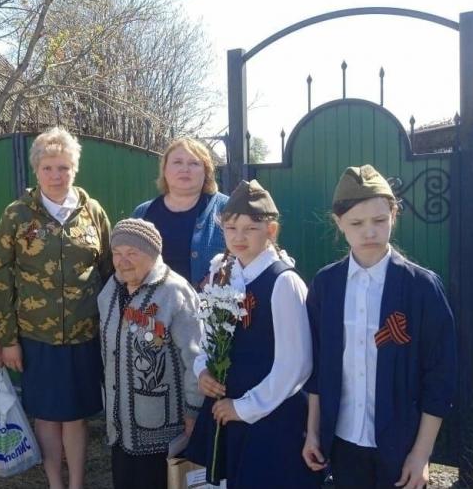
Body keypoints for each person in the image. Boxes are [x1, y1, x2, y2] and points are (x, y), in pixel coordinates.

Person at [301, 165, 456, 489]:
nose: (369, 232)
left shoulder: (422, 288)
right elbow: (317, 366)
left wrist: (421, 454)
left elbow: (440, 377)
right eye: (357, 223)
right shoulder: (327, 285)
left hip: (400, 447)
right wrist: (314, 432)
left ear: (394, 215)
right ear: (339, 222)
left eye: (379, 220)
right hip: (343, 443)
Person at [0, 127, 112, 489]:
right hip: (36, 336)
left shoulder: (93, 212)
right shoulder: (17, 215)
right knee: (46, 415)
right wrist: (7, 338)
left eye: (63, 167)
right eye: (48, 168)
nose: (56, 176)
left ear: (75, 168)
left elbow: (106, 270)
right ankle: (54, 481)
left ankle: (76, 482)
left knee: (75, 416)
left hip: (83, 333)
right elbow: (0, 277)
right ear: (36, 170)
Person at [184, 180, 320, 489]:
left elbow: (296, 365)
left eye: (251, 228)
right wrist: (202, 368)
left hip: (270, 414)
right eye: (231, 228)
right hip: (229, 408)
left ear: (271, 231)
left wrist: (244, 408)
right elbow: (209, 333)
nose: (239, 237)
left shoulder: (283, 282)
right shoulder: (223, 271)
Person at [97, 218, 203, 489]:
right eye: (117, 253)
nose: (123, 261)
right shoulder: (110, 290)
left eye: (132, 253)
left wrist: (194, 412)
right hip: (120, 426)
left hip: (162, 428)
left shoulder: (174, 291)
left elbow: (195, 358)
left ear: (153, 254)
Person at [131, 137, 228, 289]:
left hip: (206, 308)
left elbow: (246, 257)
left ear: (206, 171)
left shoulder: (226, 208)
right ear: (165, 170)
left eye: (194, 163)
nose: (185, 169)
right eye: (177, 162)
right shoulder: (142, 213)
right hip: (152, 308)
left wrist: (221, 275)